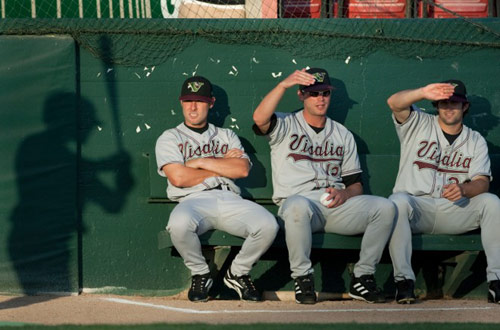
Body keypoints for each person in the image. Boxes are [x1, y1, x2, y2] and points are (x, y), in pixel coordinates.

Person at [252, 68, 396, 304]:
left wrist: (345, 193)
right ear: (301, 95)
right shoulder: (286, 123)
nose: (320, 98)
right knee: (297, 206)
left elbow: (356, 185)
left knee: (385, 207)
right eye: (314, 93)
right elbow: (259, 119)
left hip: (336, 205)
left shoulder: (342, 134)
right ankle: (303, 278)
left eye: (325, 93)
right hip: (299, 204)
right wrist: (283, 85)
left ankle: (362, 277)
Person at [155, 76, 278, 302]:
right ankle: (200, 273)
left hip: (230, 199)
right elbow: (179, 177)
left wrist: (199, 161)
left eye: (199, 101)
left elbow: (241, 170)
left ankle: (238, 272)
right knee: (178, 225)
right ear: (181, 103)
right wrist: (222, 165)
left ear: (211, 103)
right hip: (193, 201)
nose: (193, 107)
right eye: (188, 100)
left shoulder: (227, 135)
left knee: (268, 225)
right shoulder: (170, 137)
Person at [387, 80, 500, 304]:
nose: (449, 108)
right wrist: (421, 92)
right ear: (436, 105)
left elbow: (482, 183)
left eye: (455, 103)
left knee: (491, 202)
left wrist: (464, 189)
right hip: (418, 208)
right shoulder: (417, 123)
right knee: (397, 202)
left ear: (465, 107)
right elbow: (394, 103)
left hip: (454, 210)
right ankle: (404, 282)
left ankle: (496, 281)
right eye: (444, 102)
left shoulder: (475, 140)